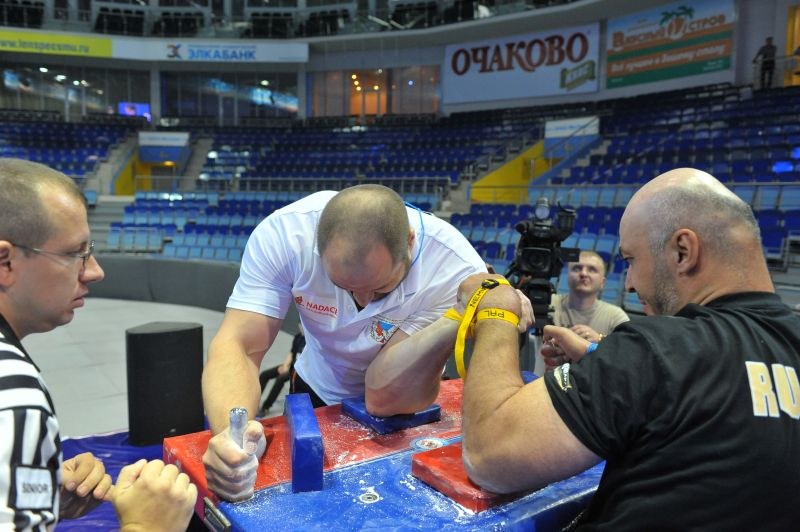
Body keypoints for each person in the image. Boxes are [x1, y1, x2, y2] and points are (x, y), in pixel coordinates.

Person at [459, 167, 800, 529]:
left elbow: (488, 454)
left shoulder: (656, 349)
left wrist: (497, 307)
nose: (632, 284)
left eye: (631, 260)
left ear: (683, 251)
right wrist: (598, 355)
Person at [201, 184, 532, 502]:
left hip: (401, 407)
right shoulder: (287, 235)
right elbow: (240, 347)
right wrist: (233, 441)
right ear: (317, 248)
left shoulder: (452, 269)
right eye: (343, 286)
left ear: (410, 243)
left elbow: (383, 396)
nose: (362, 302)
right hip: (316, 384)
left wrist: (458, 314)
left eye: (380, 289)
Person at [0, 158, 196, 530]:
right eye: (75, 253)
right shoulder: (13, 399)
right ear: (5, 262)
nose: (95, 271)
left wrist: (39, 500)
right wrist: (147, 526)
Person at [551, 250, 628, 343]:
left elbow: (628, 349)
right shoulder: (549, 302)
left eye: (592, 270)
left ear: (602, 282)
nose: (583, 273)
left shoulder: (615, 317)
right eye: (577, 268)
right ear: (567, 276)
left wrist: (600, 339)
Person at [257, 324, 305, 416]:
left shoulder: (310, 342)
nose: (301, 328)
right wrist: (285, 366)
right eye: (300, 325)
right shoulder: (298, 337)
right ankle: (255, 402)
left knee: (280, 379)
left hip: (299, 371)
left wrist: (289, 370)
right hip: (291, 366)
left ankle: (265, 407)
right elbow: (292, 353)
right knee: (264, 375)